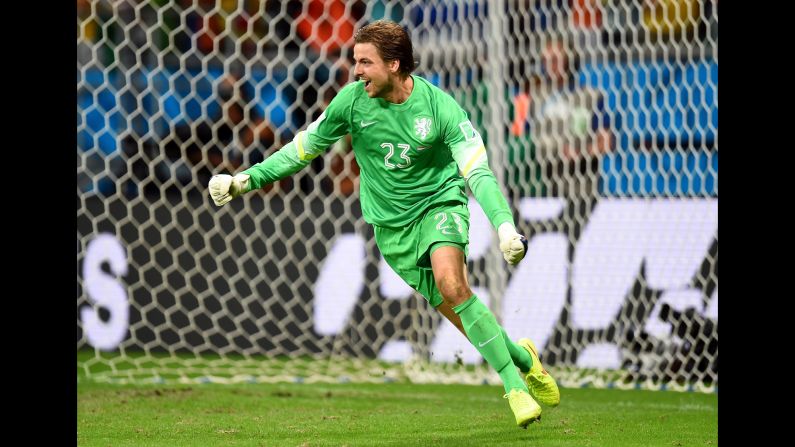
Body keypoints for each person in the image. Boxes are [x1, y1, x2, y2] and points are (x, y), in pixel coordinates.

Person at [208, 20, 560, 428]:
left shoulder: (439, 107)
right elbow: (301, 150)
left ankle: (515, 388)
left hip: (438, 204)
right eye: (355, 61)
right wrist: (244, 180)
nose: (356, 71)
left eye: (364, 62)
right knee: (462, 314)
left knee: (452, 284)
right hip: (392, 231)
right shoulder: (351, 103)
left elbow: (476, 171)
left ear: (394, 65)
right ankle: (523, 357)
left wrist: (503, 227)